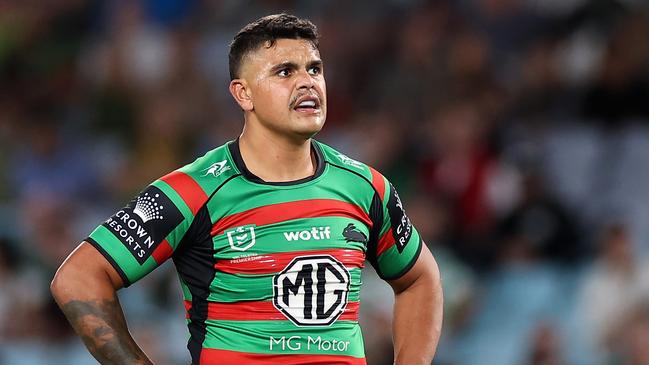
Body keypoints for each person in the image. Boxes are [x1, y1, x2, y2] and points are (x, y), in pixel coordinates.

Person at [50, 13, 443, 365]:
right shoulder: (194, 190)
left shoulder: (365, 186)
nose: (307, 82)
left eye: (315, 69)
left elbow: (419, 279)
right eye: (285, 72)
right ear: (243, 93)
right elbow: (78, 277)